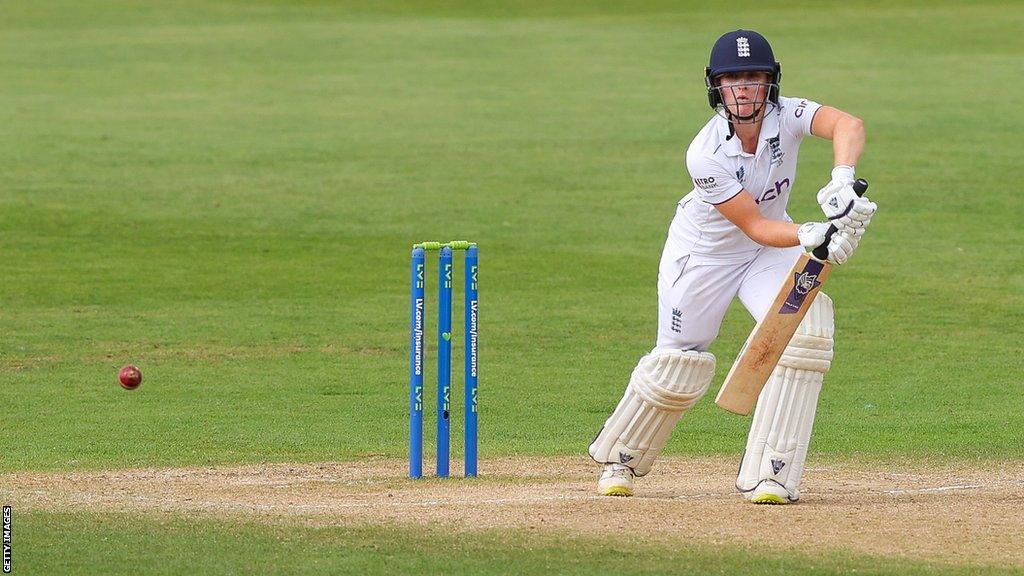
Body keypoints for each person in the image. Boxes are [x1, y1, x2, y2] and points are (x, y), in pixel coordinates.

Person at [588, 30, 877, 504]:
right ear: (716, 87)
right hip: (704, 255)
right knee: (679, 361)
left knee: (806, 327)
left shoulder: (787, 115)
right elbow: (756, 225)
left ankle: (772, 473)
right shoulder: (704, 154)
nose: (743, 88)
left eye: (753, 78)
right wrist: (813, 234)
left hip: (766, 251)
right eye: (732, 80)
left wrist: (842, 179)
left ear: (770, 83)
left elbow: (848, 124)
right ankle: (621, 457)